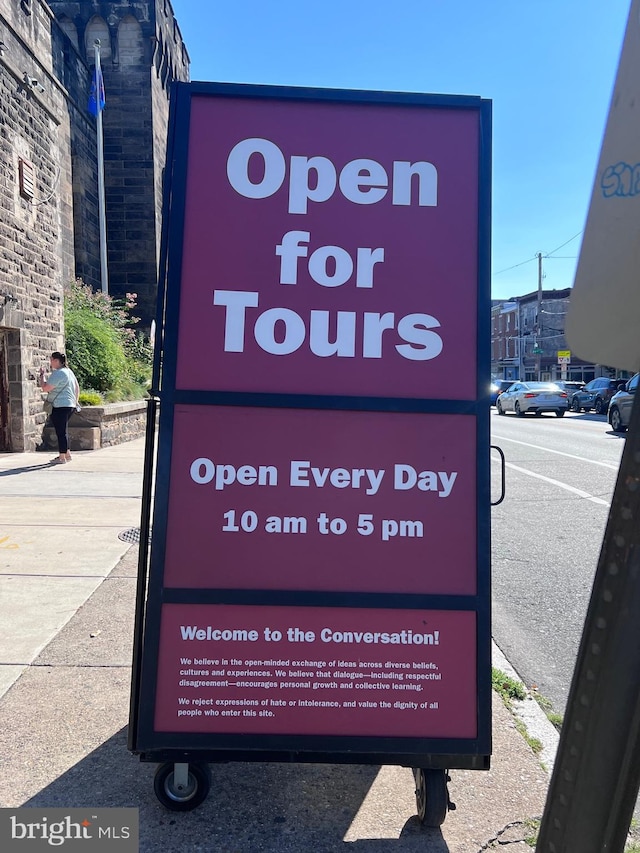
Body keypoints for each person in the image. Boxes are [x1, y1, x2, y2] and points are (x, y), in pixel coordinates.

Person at [38, 351, 80, 464]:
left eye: (51, 360)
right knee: (63, 430)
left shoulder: (59, 373)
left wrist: (42, 375)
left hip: (60, 406)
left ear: (57, 361)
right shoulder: (69, 372)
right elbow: (77, 387)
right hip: (70, 405)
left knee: (60, 432)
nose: (50, 362)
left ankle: (62, 457)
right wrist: (75, 402)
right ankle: (67, 454)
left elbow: (46, 388)